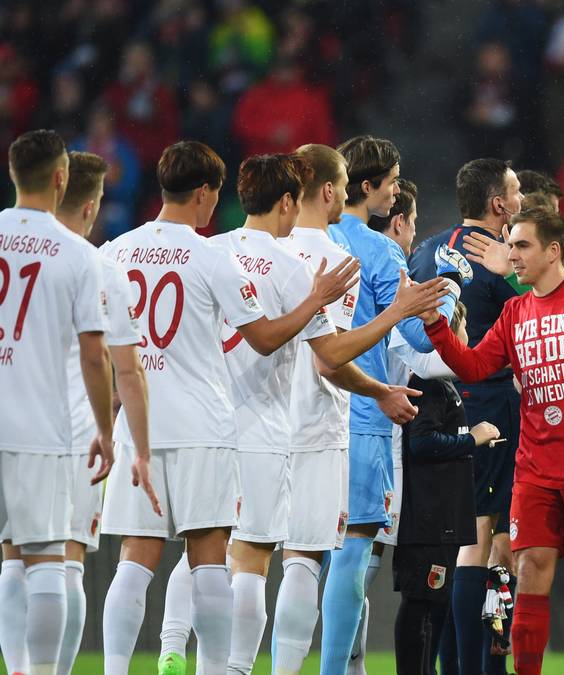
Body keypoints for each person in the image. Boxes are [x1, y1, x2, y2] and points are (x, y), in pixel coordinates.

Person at [97, 140, 343, 675]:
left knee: (135, 560)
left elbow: (94, 342)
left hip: (136, 425)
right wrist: (314, 300)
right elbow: (263, 338)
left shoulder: (115, 250)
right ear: (206, 193)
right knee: (210, 560)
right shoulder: (213, 257)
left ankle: (116, 669)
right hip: (203, 424)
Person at [211, 154, 448, 675]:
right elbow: (331, 357)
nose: (344, 199)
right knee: (305, 558)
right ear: (325, 191)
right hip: (319, 426)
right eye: (340, 187)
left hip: (246, 423)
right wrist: (403, 316)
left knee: (240, 557)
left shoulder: (243, 250)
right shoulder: (336, 259)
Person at [423, 206, 564, 675]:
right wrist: (436, 326)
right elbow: (476, 367)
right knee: (529, 572)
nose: (512, 255)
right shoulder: (515, 311)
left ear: (554, 251)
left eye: (522, 246)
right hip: (536, 470)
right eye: (512, 246)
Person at [323, 135, 460, 674]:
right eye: (394, 180)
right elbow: (422, 340)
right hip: (362, 413)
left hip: (298, 414)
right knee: (356, 549)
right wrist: (447, 291)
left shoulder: (309, 239)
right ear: (367, 187)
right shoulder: (381, 251)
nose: (397, 191)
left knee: (302, 556)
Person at [19, 151, 157, 675]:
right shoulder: (95, 264)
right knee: (66, 558)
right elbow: (116, 364)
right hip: (71, 428)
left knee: (14, 555)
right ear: (93, 201)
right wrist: (117, 433)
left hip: (11, 422)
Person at [0, 131, 117, 675]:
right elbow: (96, 358)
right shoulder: (76, 253)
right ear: (60, 177)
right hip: (38, 429)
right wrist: (106, 430)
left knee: (8, 558)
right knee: (46, 558)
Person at [409, 158, 524, 674]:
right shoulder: (501, 262)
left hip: (428, 404)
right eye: (516, 193)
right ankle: (482, 667)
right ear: (498, 204)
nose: (520, 202)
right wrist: (517, 271)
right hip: (489, 405)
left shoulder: (425, 250)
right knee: (488, 543)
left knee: (458, 541)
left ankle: (458, 661)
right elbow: (545, 313)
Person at [392, 301, 498, 675]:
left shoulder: (441, 382)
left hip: (441, 515)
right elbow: (420, 443)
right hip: (428, 516)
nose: (468, 338)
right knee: (421, 604)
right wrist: (473, 439)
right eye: (464, 328)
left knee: (432, 605)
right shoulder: (427, 382)